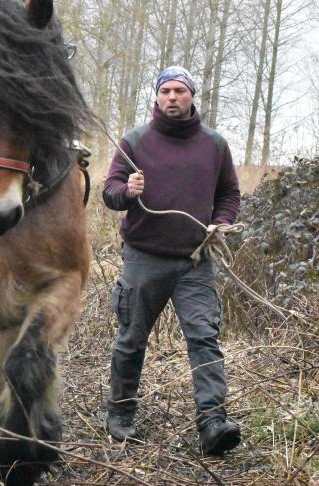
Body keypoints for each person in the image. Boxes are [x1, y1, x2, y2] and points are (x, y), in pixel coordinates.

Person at [101, 66, 242, 456]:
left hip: (195, 261)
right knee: (131, 338)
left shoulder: (214, 145)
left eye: (180, 90)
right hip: (144, 257)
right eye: (166, 91)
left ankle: (213, 422)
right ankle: (121, 412)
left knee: (204, 338)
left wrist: (221, 222)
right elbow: (109, 192)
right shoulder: (134, 142)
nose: (173, 97)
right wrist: (127, 190)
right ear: (157, 97)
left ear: (192, 96)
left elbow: (230, 193)